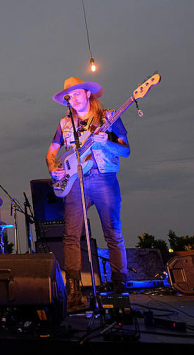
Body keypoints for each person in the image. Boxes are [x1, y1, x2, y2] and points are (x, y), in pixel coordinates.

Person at [46, 77, 130, 311]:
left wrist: (106, 143)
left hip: (104, 178)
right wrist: (54, 168)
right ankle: (73, 291)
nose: (72, 99)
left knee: (113, 233)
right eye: (69, 96)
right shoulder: (64, 124)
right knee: (71, 236)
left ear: (88, 94)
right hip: (74, 183)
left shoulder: (109, 117)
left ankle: (119, 291)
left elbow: (126, 150)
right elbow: (52, 152)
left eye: (76, 94)